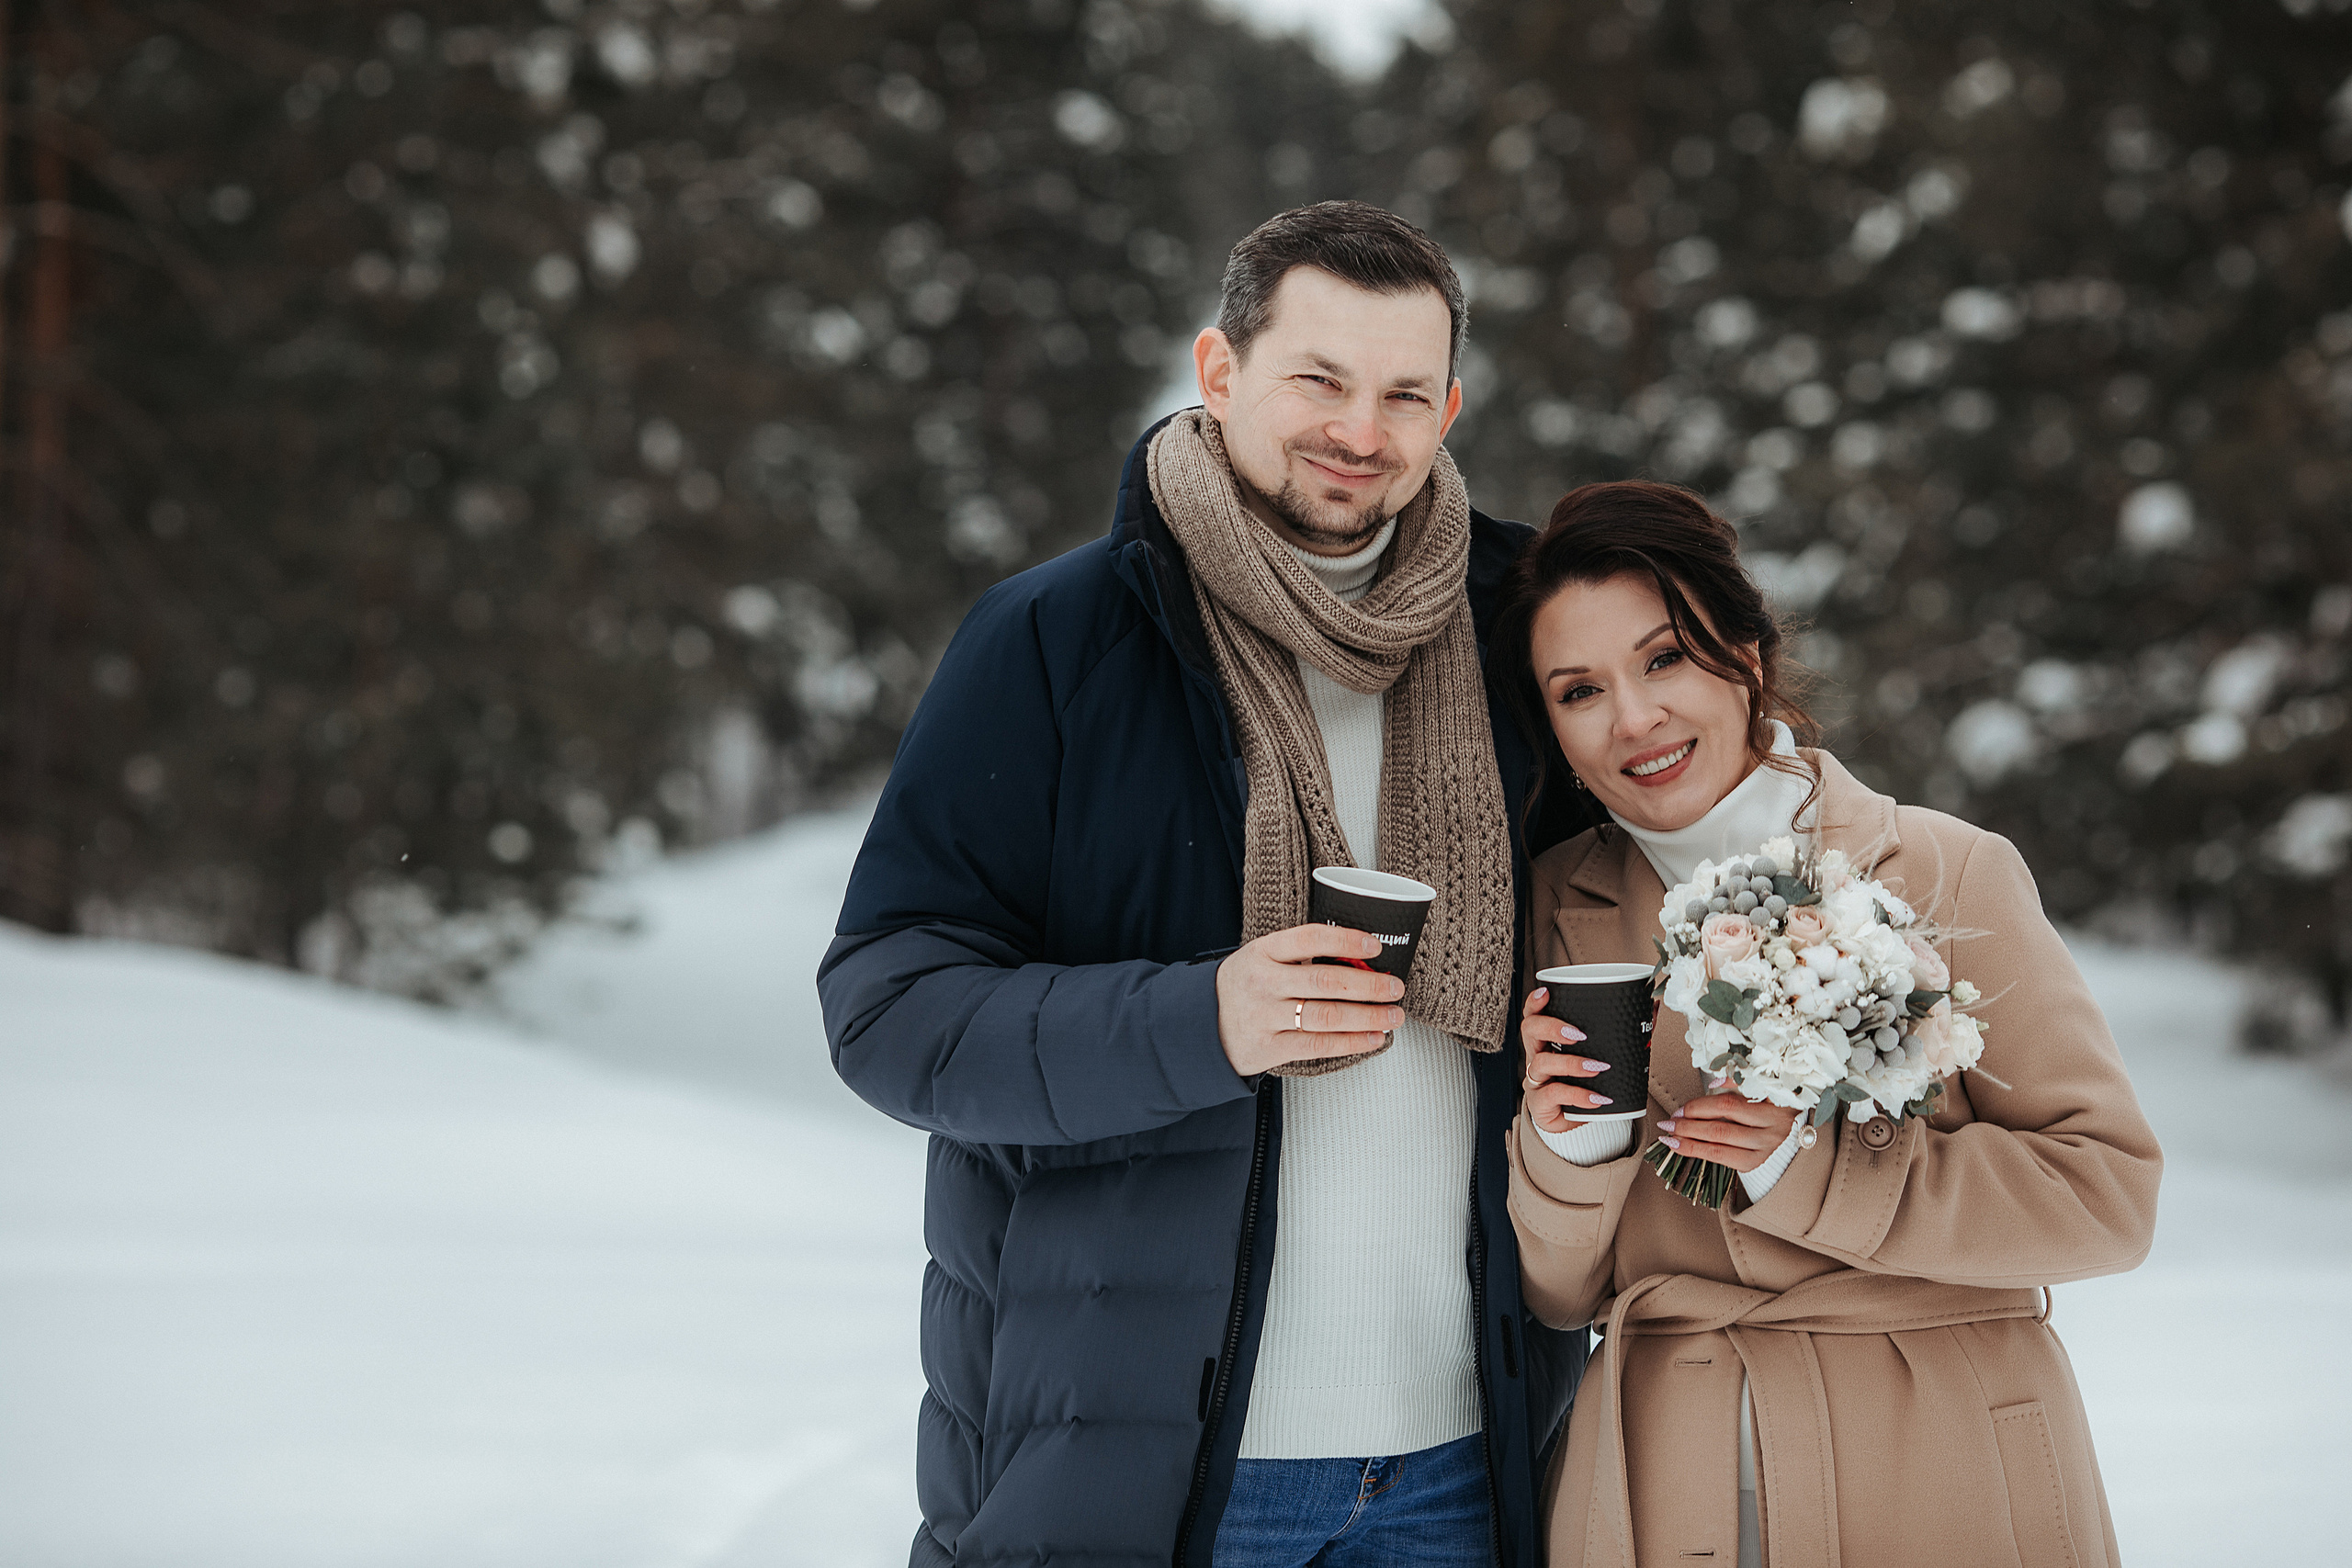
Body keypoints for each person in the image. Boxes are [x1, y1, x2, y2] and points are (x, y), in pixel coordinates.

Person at [818, 202, 1601, 1567]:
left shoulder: (1524, 633)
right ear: (1220, 369)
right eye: (1319, 379)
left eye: (1403, 393)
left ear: (1449, 409)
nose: (1360, 429)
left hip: (1468, 1462)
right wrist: (1201, 1020)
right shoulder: (1056, 640)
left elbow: (1672, 815)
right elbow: (890, 1011)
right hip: (1145, 1467)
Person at [1491, 479, 2163, 1567]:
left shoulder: (1946, 870)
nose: (1633, 719)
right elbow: (1558, 1297)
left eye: (1664, 659)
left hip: (1941, 1458)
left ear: (1745, 655)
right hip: (1669, 1478)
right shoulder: (1544, 910)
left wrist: (1807, 1170)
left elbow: (2105, 1198)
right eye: (1579, 690)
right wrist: (1568, 1148)